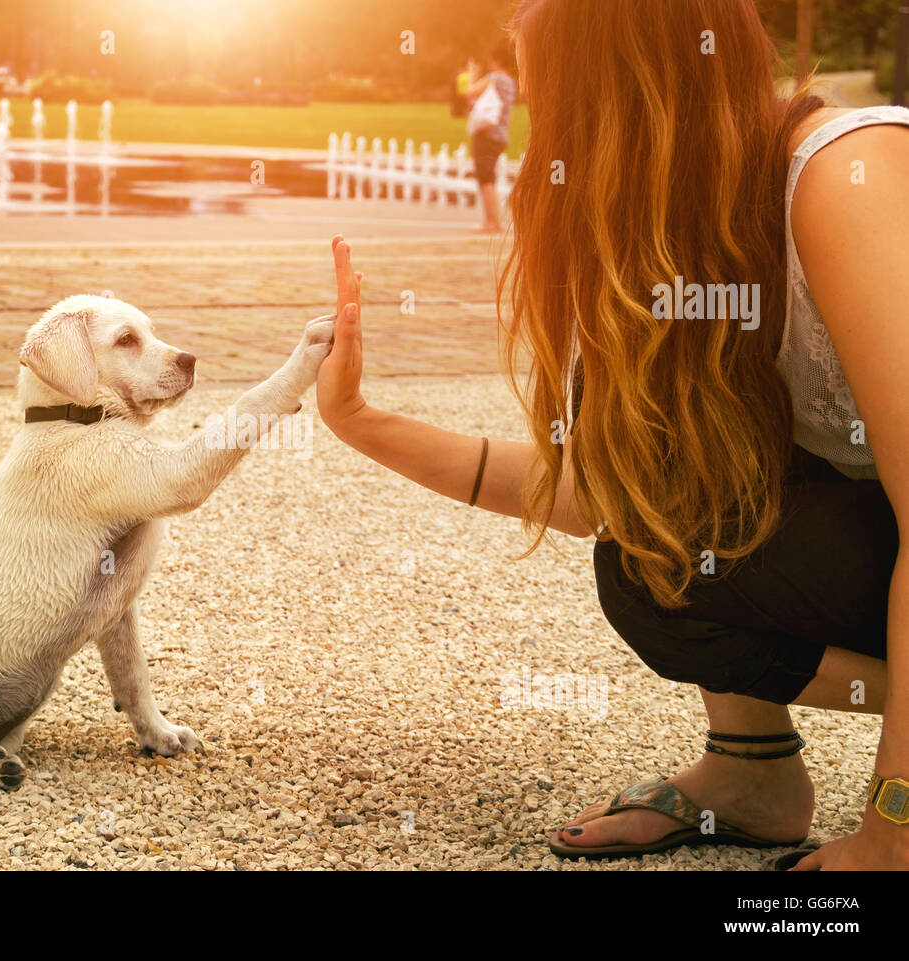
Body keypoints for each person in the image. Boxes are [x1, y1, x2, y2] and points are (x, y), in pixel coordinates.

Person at [315, 0, 909, 870]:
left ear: (625, 102)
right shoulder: (698, 242)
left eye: (553, 108)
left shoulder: (845, 175)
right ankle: (753, 777)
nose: (538, 144)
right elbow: (606, 499)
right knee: (654, 556)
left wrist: (893, 829)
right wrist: (359, 422)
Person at [468, 44, 516, 233]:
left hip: (487, 134)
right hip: (501, 135)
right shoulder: (510, 82)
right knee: (489, 177)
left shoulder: (494, 78)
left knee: (485, 178)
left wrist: (472, 73)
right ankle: (492, 221)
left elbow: (469, 91)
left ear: (496, 60)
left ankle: (492, 222)